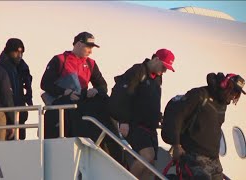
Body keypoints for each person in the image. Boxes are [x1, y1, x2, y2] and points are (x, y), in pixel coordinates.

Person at [41, 31, 122, 163]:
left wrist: (95, 90)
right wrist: (65, 91)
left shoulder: (91, 63)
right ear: (78, 44)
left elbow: (102, 85)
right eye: (88, 47)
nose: (90, 51)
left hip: (82, 106)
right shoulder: (60, 59)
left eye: (92, 48)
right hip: (65, 108)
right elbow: (45, 83)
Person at [111, 49, 175, 179]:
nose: (164, 71)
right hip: (135, 123)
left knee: (151, 164)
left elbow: (150, 101)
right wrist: (123, 120)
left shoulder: (157, 78)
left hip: (150, 125)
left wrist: (158, 116)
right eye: (164, 67)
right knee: (147, 156)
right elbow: (124, 95)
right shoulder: (138, 71)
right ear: (156, 59)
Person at [171, 73, 245, 180]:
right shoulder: (200, 95)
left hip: (213, 159)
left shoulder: (222, 105)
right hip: (194, 155)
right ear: (225, 85)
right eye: (233, 91)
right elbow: (178, 117)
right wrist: (176, 144)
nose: (234, 95)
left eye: (237, 93)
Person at [0, 38, 33, 140]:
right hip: (7, 117)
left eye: (21, 52)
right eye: (16, 52)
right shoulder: (1, 68)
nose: (19, 55)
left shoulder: (22, 67)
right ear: (9, 52)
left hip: (20, 113)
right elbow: (4, 96)